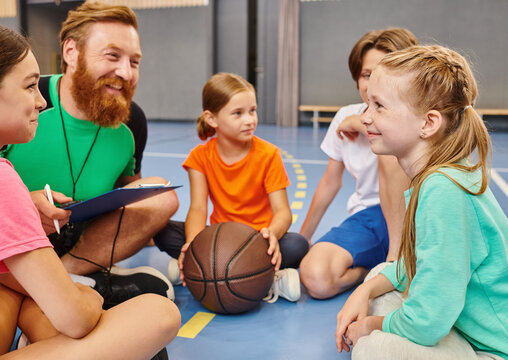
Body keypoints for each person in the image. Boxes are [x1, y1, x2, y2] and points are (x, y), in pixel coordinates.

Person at [0, 18, 180, 360]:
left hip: (45, 250)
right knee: (159, 314)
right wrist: (85, 298)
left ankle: (60, 292)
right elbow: (78, 319)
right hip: (37, 265)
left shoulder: (128, 124)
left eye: (134, 61)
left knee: (11, 288)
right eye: (28, 87)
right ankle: (68, 289)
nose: (39, 101)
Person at [335, 45, 508, 360]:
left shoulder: (443, 191)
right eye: (366, 104)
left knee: (377, 349)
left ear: (428, 124)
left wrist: (372, 326)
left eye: (379, 106)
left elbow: (429, 319)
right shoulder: (435, 179)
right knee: (378, 277)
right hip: (459, 323)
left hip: (494, 350)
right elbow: (413, 264)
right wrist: (363, 291)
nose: (365, 117)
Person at [0, 2, 178, 308]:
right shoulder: (27, 99)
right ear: (71, 52)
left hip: (82, 240)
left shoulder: (131, 120)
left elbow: (129, 193)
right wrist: (22, 202)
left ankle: (69, 275)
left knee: (162, 194)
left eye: (134, 62)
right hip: (16, 239)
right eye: (112, 55)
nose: (125, 72)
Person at [154, 73, 309, 303]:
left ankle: (259, 277)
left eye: (252, 110)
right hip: (220, 242)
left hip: (258, 240)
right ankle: (207, 267)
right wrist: (193, 248)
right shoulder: (200, 157)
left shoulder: (268, 155)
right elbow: (197, 208)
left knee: (297, 245)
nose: (249, 120)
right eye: (238, 113)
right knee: (162, 230)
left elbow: (283, 212)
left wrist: (271, 235)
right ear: (212, 119)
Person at [299, 28, 417, 299]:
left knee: (388, 153)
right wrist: (303, 239)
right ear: (357, 78)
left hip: (415, 217)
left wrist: (365, 126)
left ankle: (394, 262)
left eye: (388, 72)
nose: (375, 81)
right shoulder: (346, 116)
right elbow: (330, 182)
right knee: (316, 277)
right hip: (369, 219)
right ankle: (370, 270)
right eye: (367, 74)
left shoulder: (418, 118)